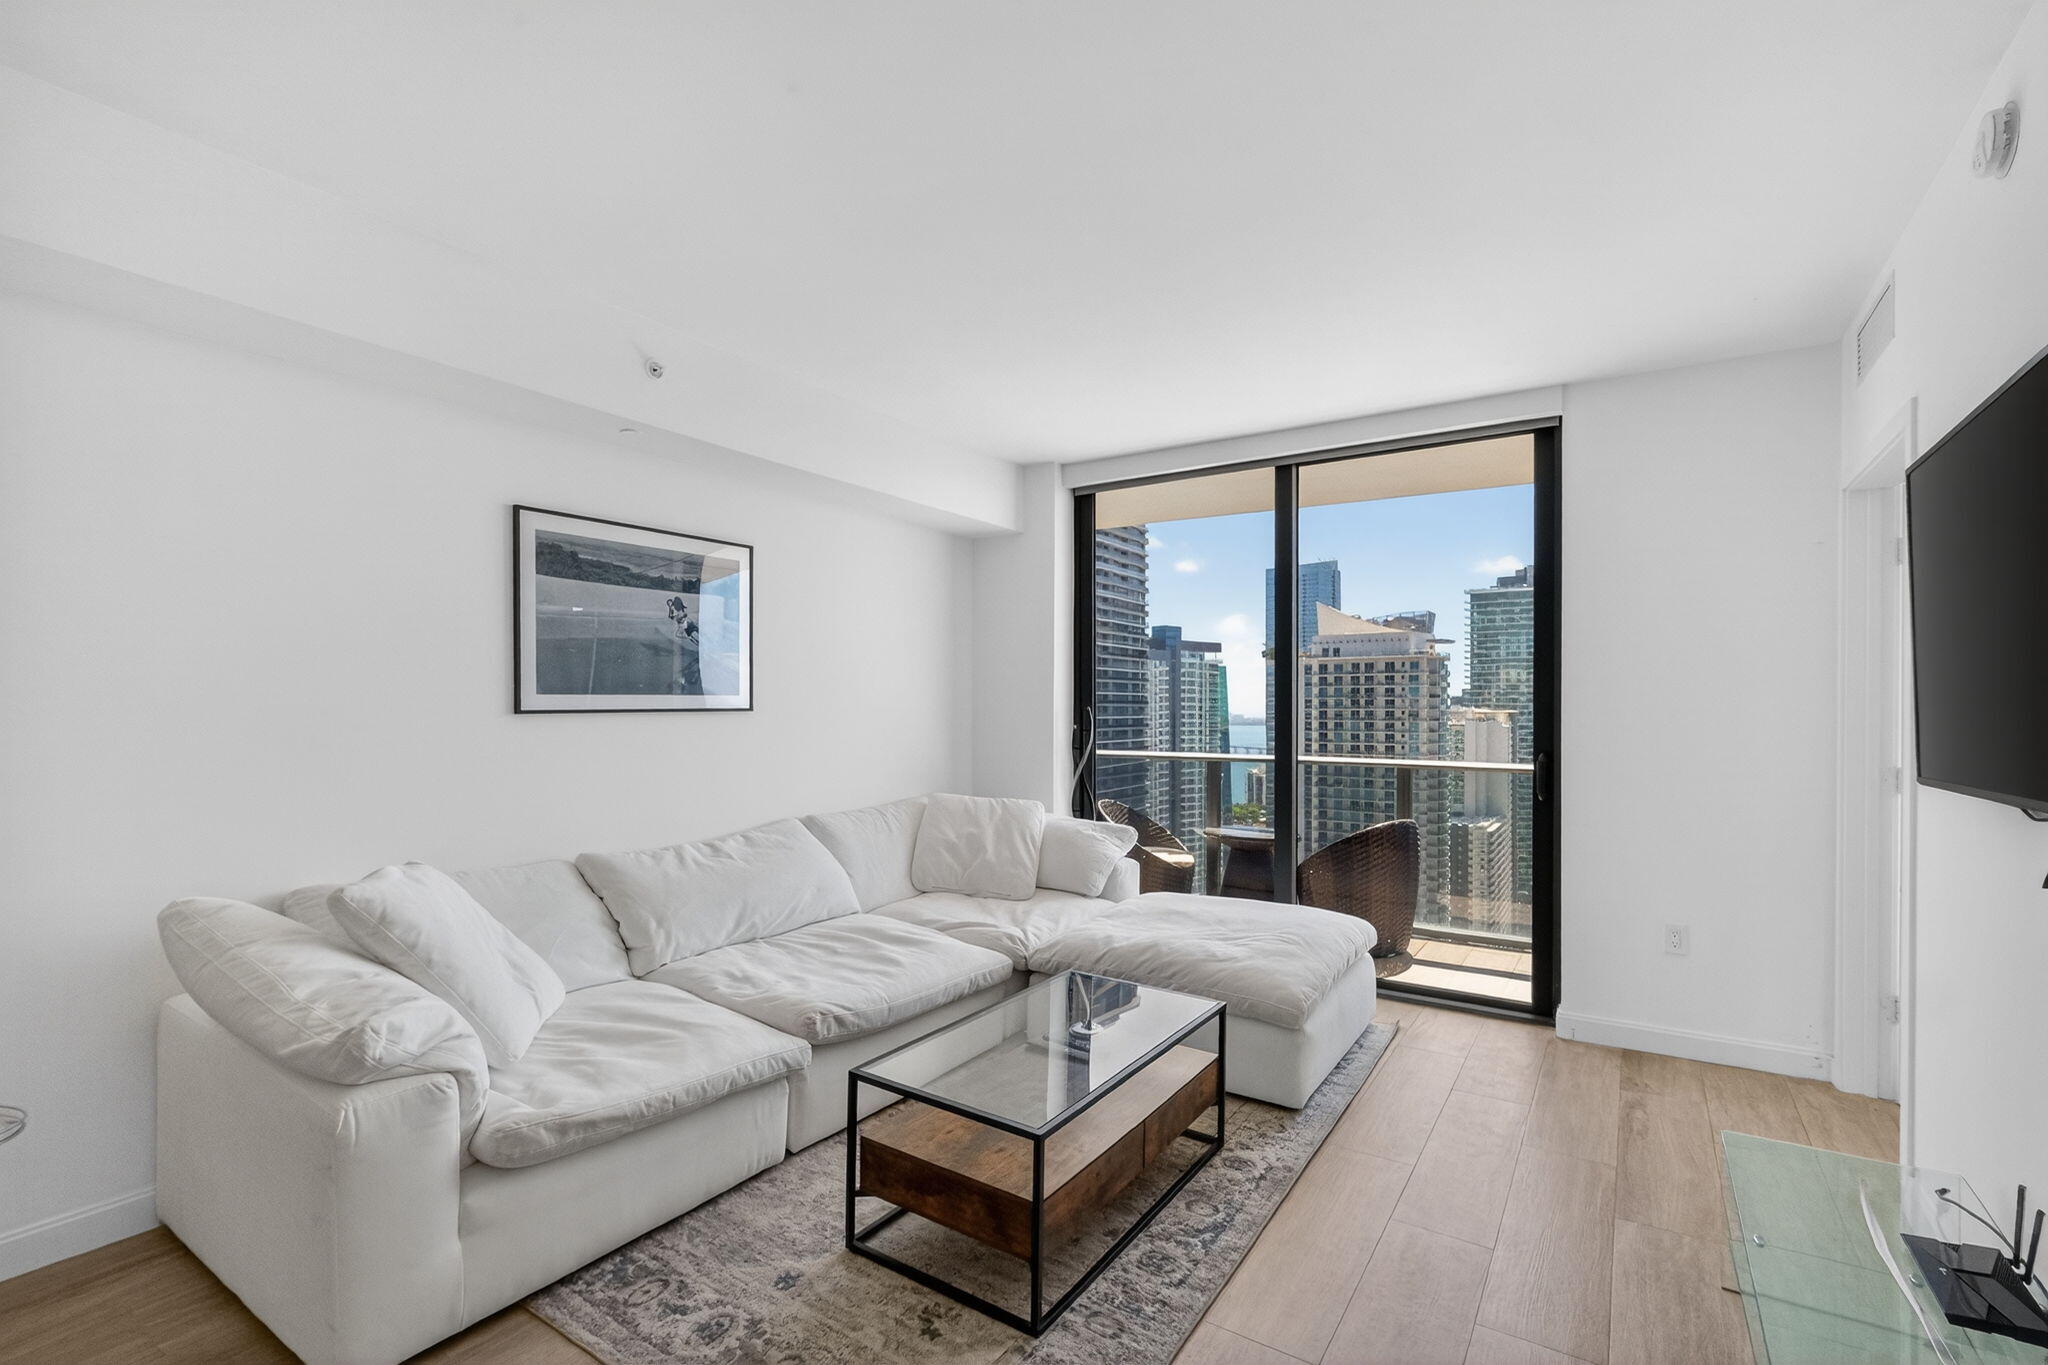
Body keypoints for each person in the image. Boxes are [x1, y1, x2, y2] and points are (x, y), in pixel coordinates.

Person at [665, 594, 702, 694]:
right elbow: (671, 617)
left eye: (671, 603)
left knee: (694, 635)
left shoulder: (680, 610)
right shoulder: (675, 611)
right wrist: (670, 608)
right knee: (692, 637)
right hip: (685, 628)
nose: (671, 605)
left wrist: (681, 618)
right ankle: (700, 649)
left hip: (687, 626)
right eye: (669, 604)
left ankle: (702, 648)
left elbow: (683, 615)